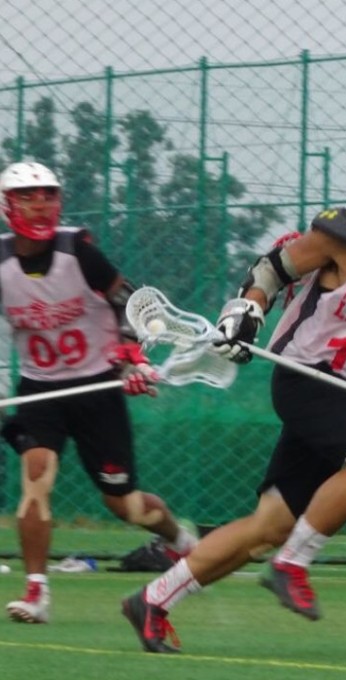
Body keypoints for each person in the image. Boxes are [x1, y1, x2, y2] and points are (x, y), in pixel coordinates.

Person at [121, 140, 346, 653]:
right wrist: (246, 310)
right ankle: (293, 563)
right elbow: (271, 270)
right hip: (301, 375)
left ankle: (153, 600)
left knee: (267, 527)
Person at [0, 161, 197, 624]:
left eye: (48, 194)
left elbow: (126, 300)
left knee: (124, 503)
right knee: (36, 474)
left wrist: (132, 357)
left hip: (96, 385)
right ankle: (36, 593)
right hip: (40, 391)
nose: (40, 204)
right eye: (29, 196)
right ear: (9, 204)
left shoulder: (78, 250)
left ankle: (182, 543)